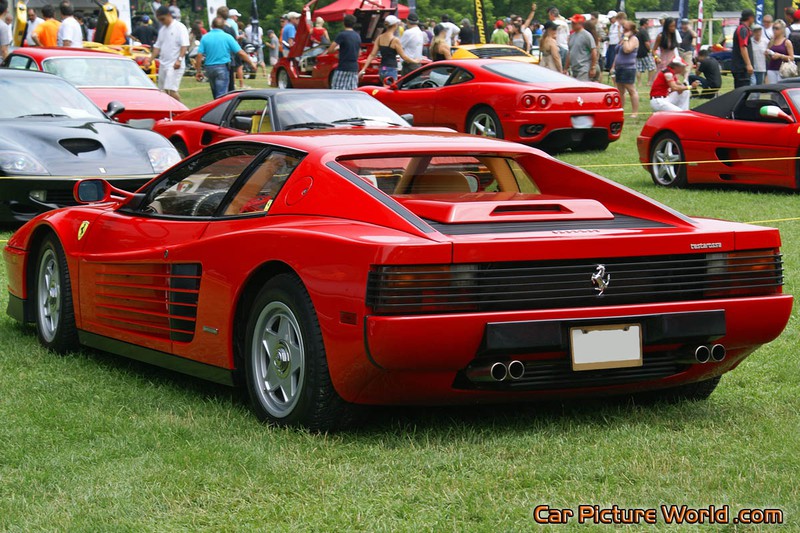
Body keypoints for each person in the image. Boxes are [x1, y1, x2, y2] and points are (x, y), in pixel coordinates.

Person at [196, 17, 255, 98]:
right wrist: (251, 63)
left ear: (212, 25)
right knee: (221, 95)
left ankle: (216, 109)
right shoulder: (227, 37)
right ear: (223, 26)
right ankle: (220, 110)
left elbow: (199, 55)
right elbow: (241, 53)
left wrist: (198, 71)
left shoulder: (205, 37)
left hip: (209, 68)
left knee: (215, 93)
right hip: (222, 67)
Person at [148, 5, 189, 101]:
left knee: (171, 90)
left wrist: (179, 60)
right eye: (160, 20)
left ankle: (181, 111)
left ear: (169, 15)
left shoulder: (179, 27)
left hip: (174, 64)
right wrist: (150, 60)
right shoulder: (162, 30)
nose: (162, 22)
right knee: (162, 91)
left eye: (163, 19)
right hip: (163, 64)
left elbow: (184, 45)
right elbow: (157, 47)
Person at [360, 15, 417, 84]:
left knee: (385, 88)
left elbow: (372, 55)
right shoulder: (395, 40)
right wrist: (415, 61)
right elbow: (404, 56)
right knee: (390, 91)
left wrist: (363, 69)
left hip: (382, 69)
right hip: (391, 68)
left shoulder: (379, 38)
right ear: (395, 25)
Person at [611, 20, 639, 118]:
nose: (624, 30)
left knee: (631, 90)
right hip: (619, 68)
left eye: (626, 29)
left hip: (628, 68)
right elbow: (618, 53)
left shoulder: (633, 39)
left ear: (631, 30)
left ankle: (635, 112)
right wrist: (613, 66)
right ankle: (620, 110)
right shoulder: (623, 38)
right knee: (620, 91)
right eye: (623, 28)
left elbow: (627, 49)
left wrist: (626, 37)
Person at [327, 14, 361, 90]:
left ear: (344, 23)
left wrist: (337, 53)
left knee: (337, 89)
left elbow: (330, 50)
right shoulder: (357, 36)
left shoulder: (342, 35)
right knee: (352, 90)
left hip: (343, 67)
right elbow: (359, 53)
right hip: (354, 68)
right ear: (354, 24)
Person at [565, 14, 597, 81]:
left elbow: (593, 51)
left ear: (580, 24)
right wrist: (565, 68)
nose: (572, 25)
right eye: (572, 23)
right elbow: (570, 52)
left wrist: (593, 67)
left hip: (584, 68)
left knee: (581, 87)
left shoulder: (586, 35)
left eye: (574, 23)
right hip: (574, 68)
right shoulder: (572, 36)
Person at [731, 9, 755, 88]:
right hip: (741, 68)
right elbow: (743, 47)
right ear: (750, 18)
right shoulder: (743, 29)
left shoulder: (742, 28)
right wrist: (748, 64)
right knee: (742, 91)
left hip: (740, 67)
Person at [635, 18, 656, 85]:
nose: (648, 25)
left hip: (638, 52)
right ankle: (649, 82)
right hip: (645, 52)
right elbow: (647, 43)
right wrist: (650, 50)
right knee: (652, 67)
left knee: (639, 69)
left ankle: (639, 83)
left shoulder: (637, 31)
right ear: (644, 24)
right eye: (647, 23)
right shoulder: (644, 31)